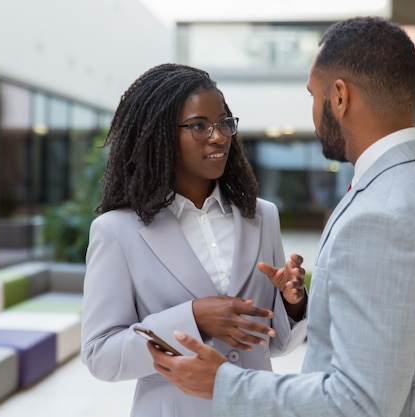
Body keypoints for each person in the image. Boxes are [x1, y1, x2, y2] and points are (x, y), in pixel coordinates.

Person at [148, 17, 415, 417]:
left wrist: (223, 383)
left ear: (339, 97)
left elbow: (357, 404)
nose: (312, 112)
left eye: (314, 95)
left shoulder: (376, 219)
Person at [81, 63, 308, 417]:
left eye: (224, 123)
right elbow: (101, 355)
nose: (218, 136)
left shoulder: (262, 216)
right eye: (199, 126)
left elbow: (274, 345)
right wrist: (192, 319)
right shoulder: (117, 231)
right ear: (159, 135)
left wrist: (292, 305)